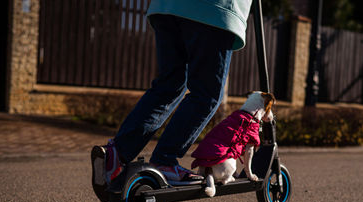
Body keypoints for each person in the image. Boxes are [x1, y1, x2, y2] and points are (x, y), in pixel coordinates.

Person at [91, 0, 253, 187]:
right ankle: (164, 161)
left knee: (169, 86)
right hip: (212, 11)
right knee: (206, 94)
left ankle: (116, 153)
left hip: (166, 7)